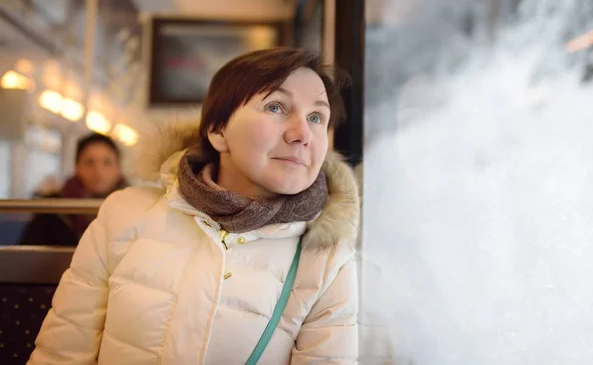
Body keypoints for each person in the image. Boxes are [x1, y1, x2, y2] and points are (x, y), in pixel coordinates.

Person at [27, 48, 360, 364]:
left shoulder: (327, 259)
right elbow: (62, 352)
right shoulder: (125, 214)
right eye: (276, 107)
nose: (303, 133)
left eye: (317, 117)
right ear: (217, 131)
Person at [19, 133, 127, 246]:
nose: (98, 171)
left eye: (107, 162)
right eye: (89, 163)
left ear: (118, 168)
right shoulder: (52, 210)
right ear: (77, 167)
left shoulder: (134, 209)